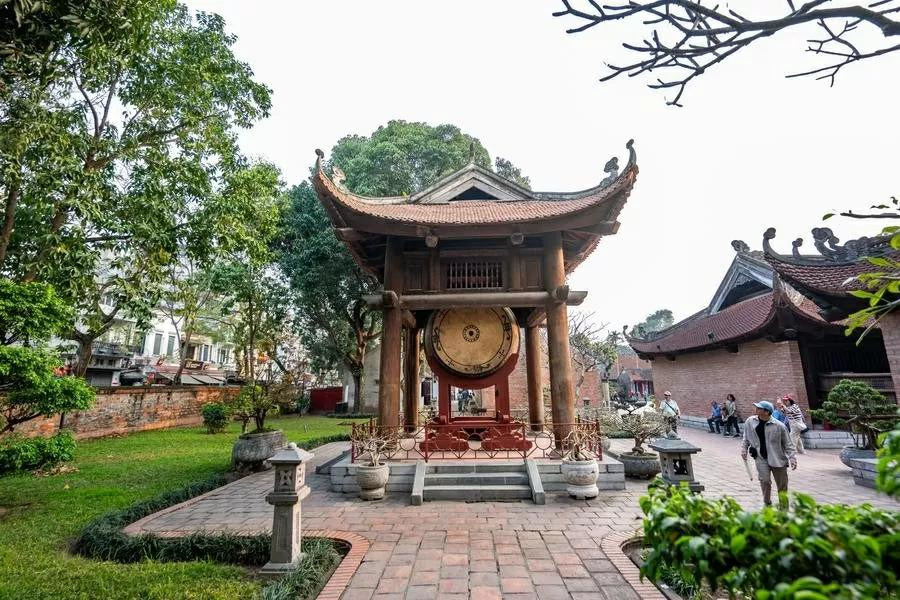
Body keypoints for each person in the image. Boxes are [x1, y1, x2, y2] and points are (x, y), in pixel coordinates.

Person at [741, 400, 797, 508]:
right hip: (760, 457)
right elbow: (746, 437)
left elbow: (788, 444)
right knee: (765, 481)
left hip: (778, 459)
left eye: (759, 408)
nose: (756, 409)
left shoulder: (779, 426)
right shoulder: (750, 421)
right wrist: (744, 449)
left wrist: (792, 458)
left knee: (782, 485)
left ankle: (784, 507)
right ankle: (767, 502)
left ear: (767, 412)